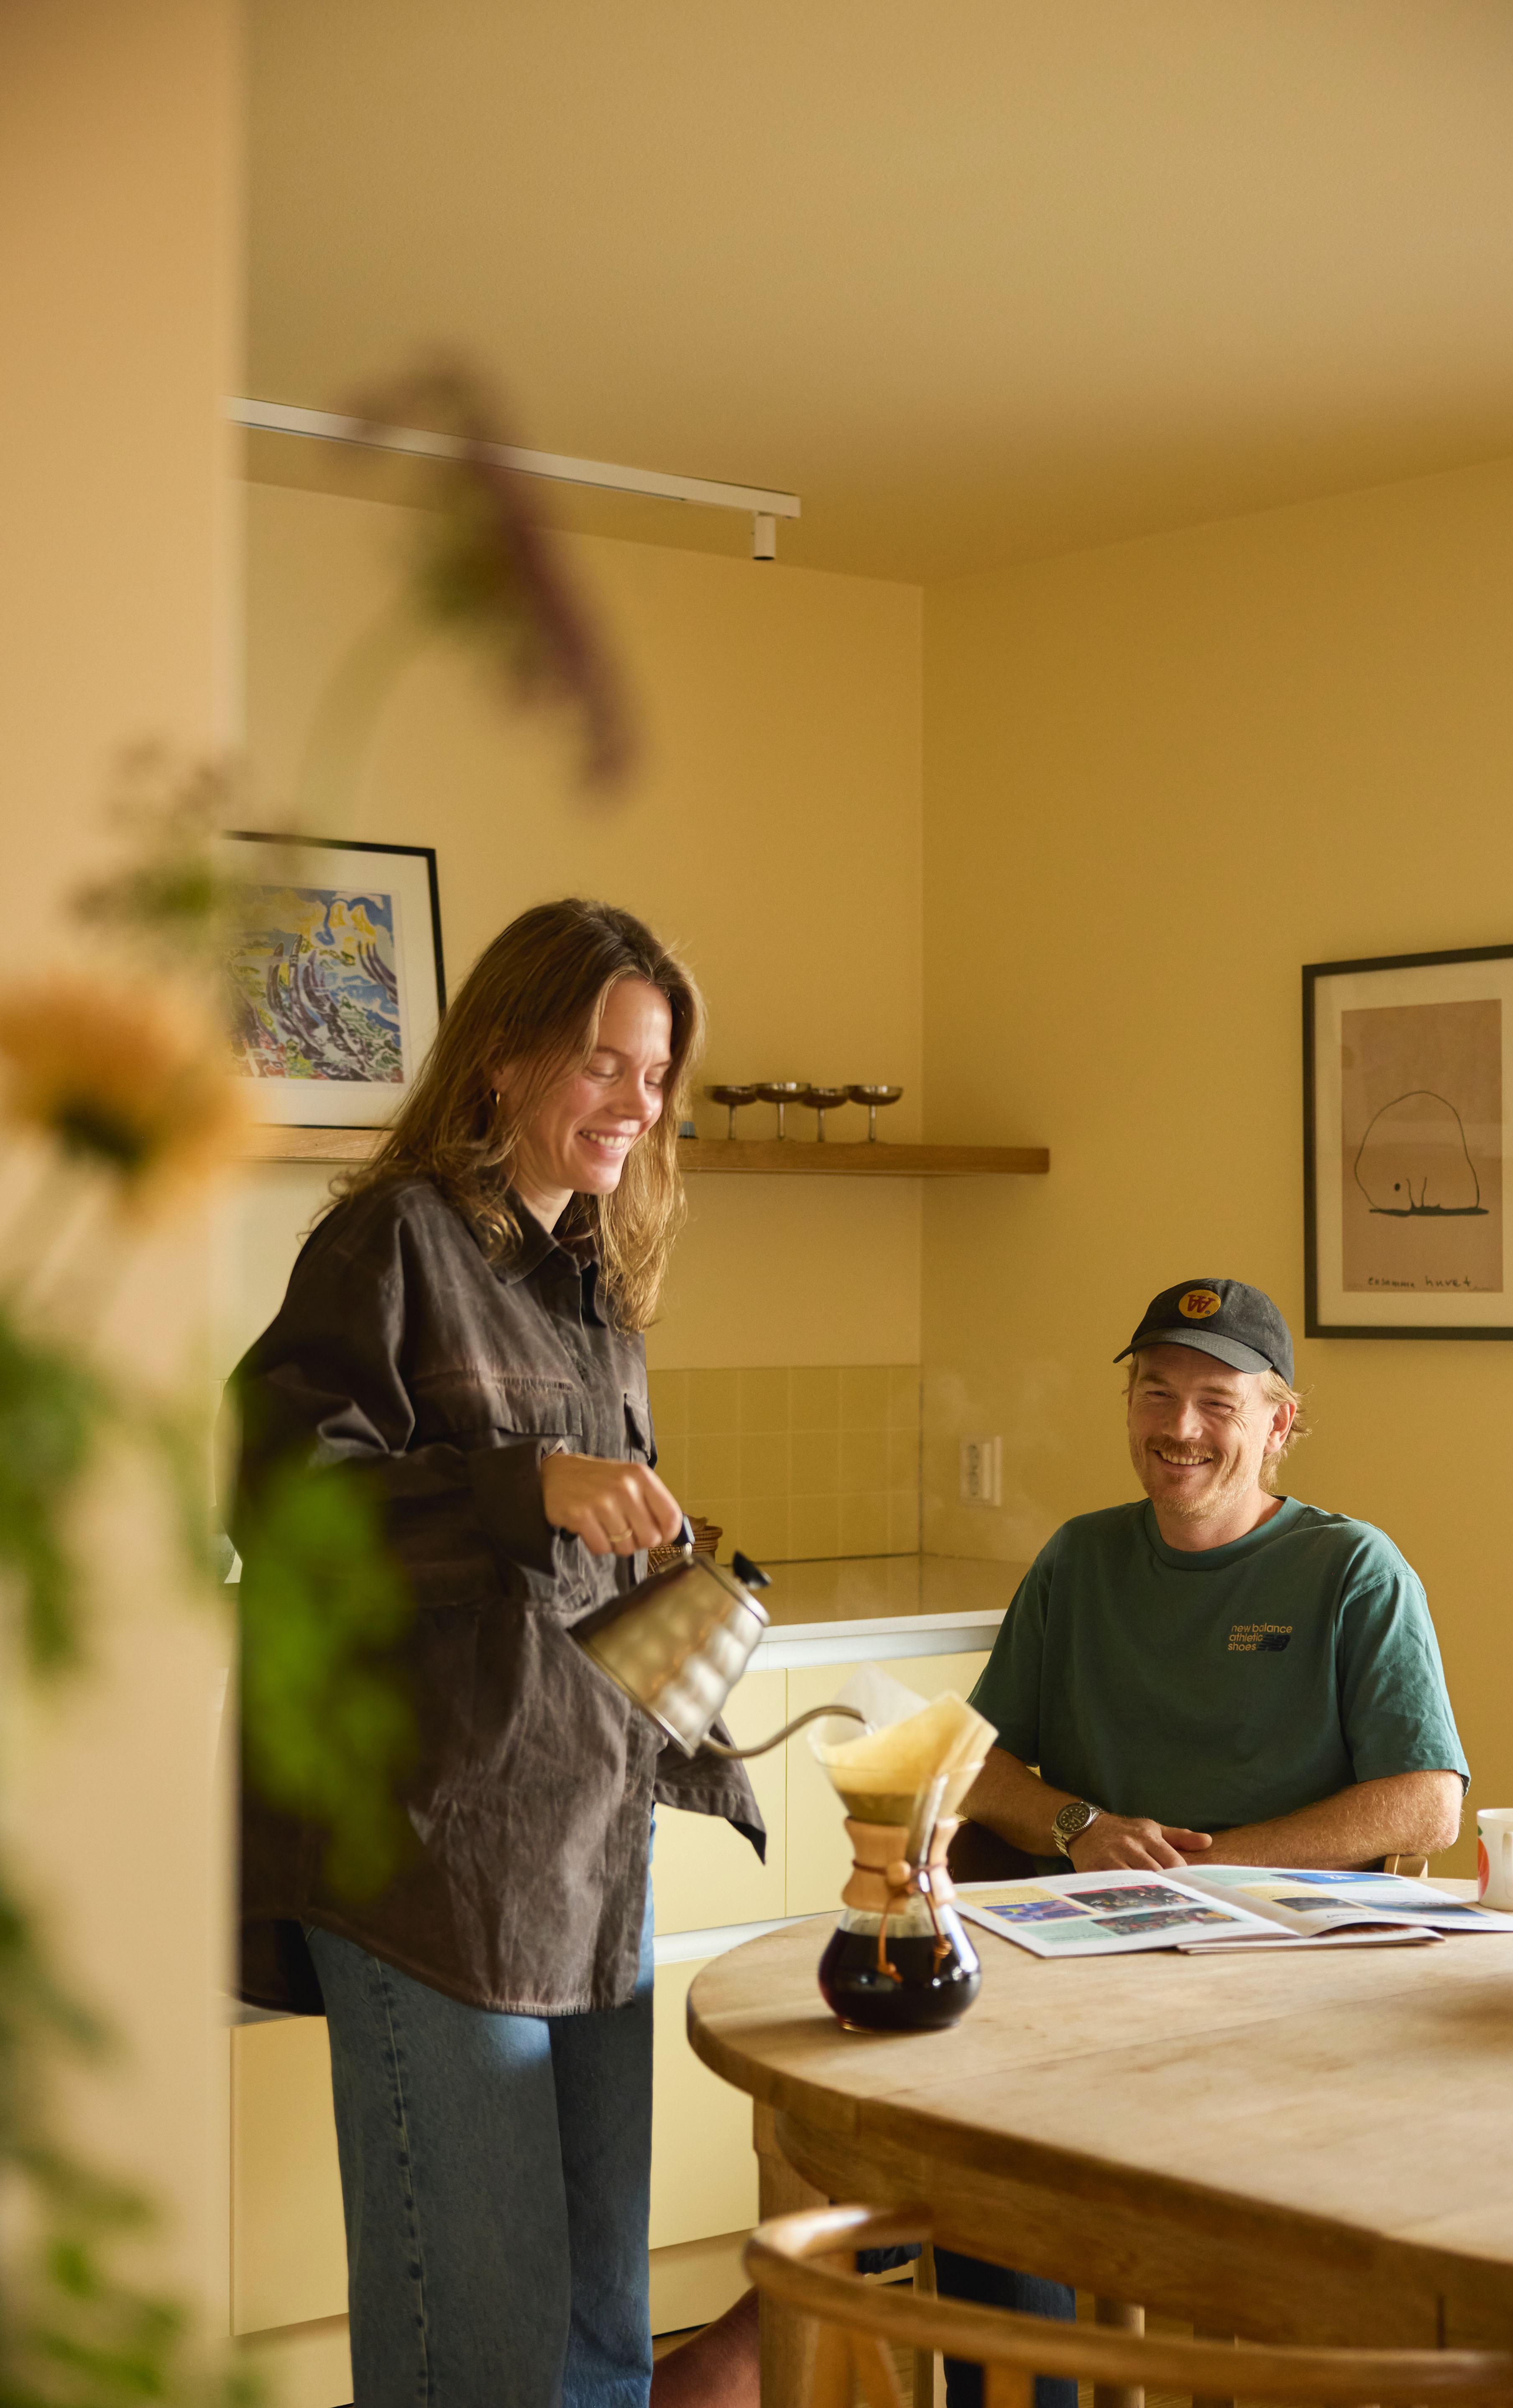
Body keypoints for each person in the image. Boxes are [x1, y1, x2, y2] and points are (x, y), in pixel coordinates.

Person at [230, 898, 764, 2408]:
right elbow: (277, 1494)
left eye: (654, 1073)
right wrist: (523, 1483)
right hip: (432, 1861)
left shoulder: (599, 1290)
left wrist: (694, 1682)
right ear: (505, 1059)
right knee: (482, 2332)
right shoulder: (393, 1244)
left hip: (588, 1853)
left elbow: (578, 1595)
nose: (635, 1104)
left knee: (600, 2323)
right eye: (602, 1063)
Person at [941, 1275, 1467, 2406]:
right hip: (1085, 1968)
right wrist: (1077, 1826)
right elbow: (972, 1766)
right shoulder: (1079, 1563)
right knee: (962, 2140)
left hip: (1285, 1987)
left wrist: (1225, 1857)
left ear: (1281, 1424)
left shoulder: (1350, 1571)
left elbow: (1428, 1804)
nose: (1179, 1428)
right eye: (1155, 1393)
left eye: (1217, 1403)